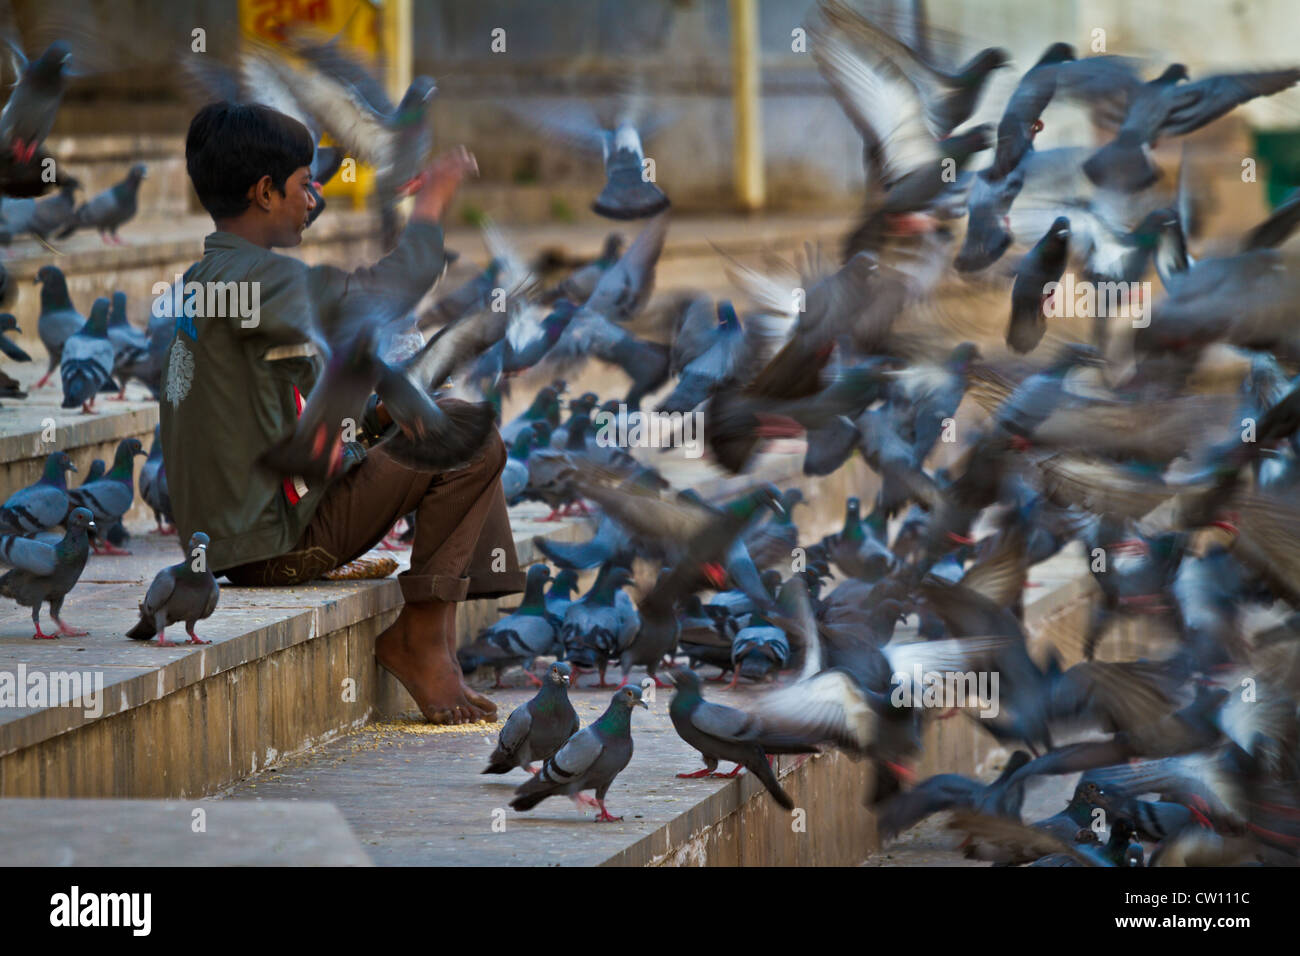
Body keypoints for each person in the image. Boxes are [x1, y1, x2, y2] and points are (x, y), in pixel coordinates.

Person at [161, 101, 522, 725]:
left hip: (233, 539)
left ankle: (435, 630)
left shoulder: (206, 278)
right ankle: (420, 640)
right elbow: (383, 294)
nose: (315, 196)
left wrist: (382, 414)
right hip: (269, 545)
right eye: (306, 184)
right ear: (266, 192)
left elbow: (309, 392)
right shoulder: (260, 280)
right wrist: (432, 202)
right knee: (467, 438)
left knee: (437, 414)